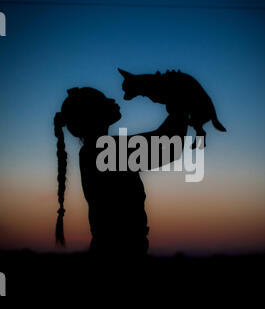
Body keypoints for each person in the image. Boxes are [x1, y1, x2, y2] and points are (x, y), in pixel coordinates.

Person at [54, 86, 188, 260]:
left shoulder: (95, 151)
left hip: (112, 251)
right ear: (92, 114)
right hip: (121, 255)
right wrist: (182, 103)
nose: (112, 100)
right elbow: (169, 143)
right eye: (103, 100)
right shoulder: (105, 151)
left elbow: (168, 146)